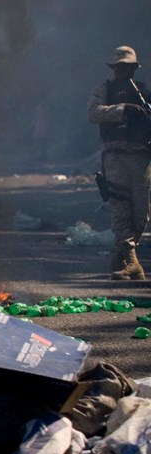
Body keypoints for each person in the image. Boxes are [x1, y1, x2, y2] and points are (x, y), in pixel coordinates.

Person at [88, 45, 151, 280]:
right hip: (115, 155)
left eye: (129, 68)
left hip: (142, 157)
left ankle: (124, 254)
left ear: (135, 69)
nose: (125, 72)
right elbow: (93, 113)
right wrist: (123, 109)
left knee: (141, 212)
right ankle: (129, 258)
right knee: (119, 206)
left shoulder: (145, 93)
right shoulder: (104, 89)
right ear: (115, 69)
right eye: (121, 68)